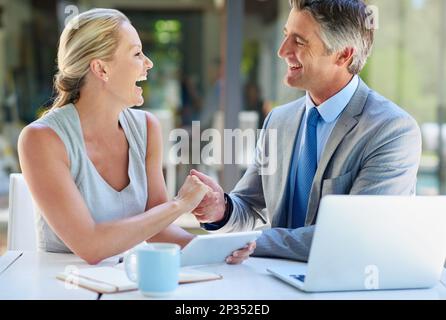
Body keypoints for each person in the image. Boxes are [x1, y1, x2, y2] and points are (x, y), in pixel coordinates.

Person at [18, 8, 254, 265]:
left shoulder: (146, 128)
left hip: (126, 282)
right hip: (62, 285)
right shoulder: (42, 139)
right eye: (137, 53)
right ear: (101, 69)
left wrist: (221, 251)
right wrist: (179, 205)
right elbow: (91, 246)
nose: (148, 63)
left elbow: (159, 229)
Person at [190, 0, 422, 262]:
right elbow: (250, 204)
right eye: (286, 35)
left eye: (299, 42)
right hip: (276, 283)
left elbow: (355, 235)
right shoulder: (279, 120)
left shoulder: (392, 130)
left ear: (343, 54)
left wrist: (254, 241)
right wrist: (222, 208)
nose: (282, 51)